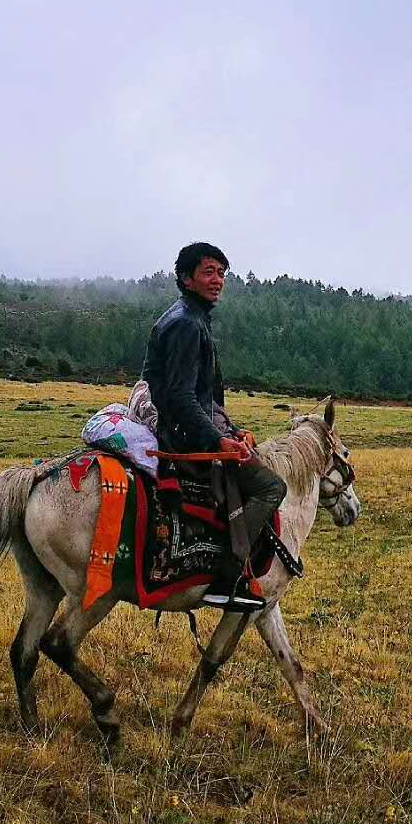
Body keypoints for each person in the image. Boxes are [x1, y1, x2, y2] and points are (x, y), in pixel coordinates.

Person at [142, 242, 284, 611]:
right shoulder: (188, 324)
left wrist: (231, 430)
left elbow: (204, 399)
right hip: (181, 434)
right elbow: (180, 398)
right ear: (187, 279)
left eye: (222, 272)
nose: (217, 280)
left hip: (186, 425)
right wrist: (216, 441)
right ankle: (228, 578)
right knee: (271, 486)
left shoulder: (191, 317)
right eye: (208, 272)